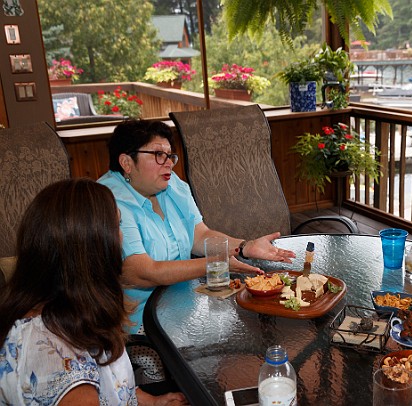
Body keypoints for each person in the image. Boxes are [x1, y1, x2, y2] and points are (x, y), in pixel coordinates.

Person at [97, 120, 296, 381]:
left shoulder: (170, 185)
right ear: (126, 162)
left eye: (170, 155)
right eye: (158, 155)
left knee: (248, 330)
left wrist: (245, 246)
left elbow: (200, 235)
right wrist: (217, 263)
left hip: (182, 301)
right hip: (138, 323)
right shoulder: (108, 200)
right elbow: (141, 273)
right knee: (214, 360)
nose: (169, 163)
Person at [0, 178, 187, 405]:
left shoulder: (70, 310)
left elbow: (108, 383)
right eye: (117, 225)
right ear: (94, 245)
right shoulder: (48, 351)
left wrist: (151, 401)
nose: (121, 237)